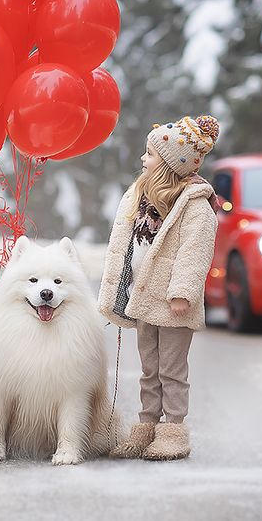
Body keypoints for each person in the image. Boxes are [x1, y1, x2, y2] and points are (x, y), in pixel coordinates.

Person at [98, 114, 220, 460]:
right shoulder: (144, 197)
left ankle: (174, 430)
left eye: (149, 155)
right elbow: (127, 242)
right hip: (144, 299)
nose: (142, 160)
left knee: (171, 371)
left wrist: (183, 291)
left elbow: (194, 251)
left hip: (173, 303)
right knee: (149, 370)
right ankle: (147, 426)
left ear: (169, 163)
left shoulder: (196, 206)